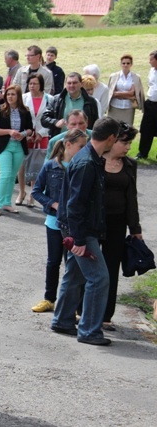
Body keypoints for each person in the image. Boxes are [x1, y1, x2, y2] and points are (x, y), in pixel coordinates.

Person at [52, 116, 121, 346]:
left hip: (78, 230)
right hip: (81, 231)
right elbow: (75, 204)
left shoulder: (90, 159)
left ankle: (62, 320)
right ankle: (90, 331)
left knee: (75, 274)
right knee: (99, 278)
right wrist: (79, 239)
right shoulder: (87, 163)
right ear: (110, 138)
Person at [31, 129, 88, 313]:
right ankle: (49, 299)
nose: (84, 150)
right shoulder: (50, 166)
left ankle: (76, 306)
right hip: (54, 224)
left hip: (75, 226)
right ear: (68, 145)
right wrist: (53, 204)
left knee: (73, 266)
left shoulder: (83, 166)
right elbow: (36, 191)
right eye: (81, 146)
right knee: (53, 262)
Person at [101, 123, 142, 331]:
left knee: (110, 268)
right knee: (88, 268)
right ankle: (82, 310)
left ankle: (106, 315)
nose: (127, 147)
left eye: (129, 143)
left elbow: (131, 198)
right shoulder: (95, 160)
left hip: (117, 224)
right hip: (94, 223)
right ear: (111, 140)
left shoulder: (129, 164)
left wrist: (135, 229)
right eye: (124, 142)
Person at [0, 84, 33, 216]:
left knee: (12, 176)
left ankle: (7, 203)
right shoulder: (0, 110)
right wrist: (9, 131)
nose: (10, 97)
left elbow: (30, 129)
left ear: (18, 96)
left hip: (18, 146)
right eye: (8, 94)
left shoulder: (25, 111)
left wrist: (23, 134)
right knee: (5, 174)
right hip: (4, 146)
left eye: (13, 94)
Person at [20, 73, 51, 207]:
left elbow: (50, 119)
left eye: (35, 84)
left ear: (41, 85)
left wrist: (41, 133)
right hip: (26, 135)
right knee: (23, 163)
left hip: (43, 135)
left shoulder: (49, 99)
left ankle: (33, 193)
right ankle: (21, 192)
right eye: (30, 83)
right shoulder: (23, 98)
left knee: (37, 163)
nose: (32, 86)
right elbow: (20, 117)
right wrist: (28, 133)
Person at [42, 72, 99, 138]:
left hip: (84, 141)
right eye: (69, 83)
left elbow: (95, 123)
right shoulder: (56, 100)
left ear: (81, 84)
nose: (71, 85)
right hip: (61, 141)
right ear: (65, 85)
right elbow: (44, 119)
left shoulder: (91, 101)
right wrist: (55, 122)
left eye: (74, 83)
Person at [107, 54, 145, 126]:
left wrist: (119, 94)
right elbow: (112, 93)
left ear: (131, 64)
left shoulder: (136, 77)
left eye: (128, 63)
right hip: (114, 106)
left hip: (128, 107)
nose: (125, 65)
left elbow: (132, 93)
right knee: (113, 128)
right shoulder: (114, 76)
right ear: (120, 64)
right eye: (123, 63)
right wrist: (129, 96)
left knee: (127, 129)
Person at [137, 50, 157, 159]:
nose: (149, 62)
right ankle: (142, 153)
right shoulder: (151, 71)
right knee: (146, 129)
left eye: (151, 59)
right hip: (150, 104)